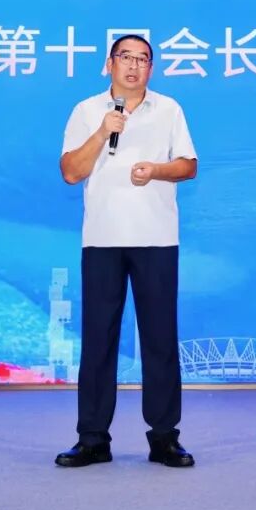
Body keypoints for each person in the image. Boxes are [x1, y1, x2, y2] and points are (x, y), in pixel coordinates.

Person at [54, 34, 198, 468]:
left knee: (159, 340)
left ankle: (164, 438)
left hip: (156, 238)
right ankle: (93, 438)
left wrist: (157, 170)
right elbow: (70, 172)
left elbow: (188, 165)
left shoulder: (168, 109)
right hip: (102, 239)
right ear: (109, 63)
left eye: (143, 59)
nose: (134, 66)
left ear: (151, 68)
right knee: (99, 340)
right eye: (125, 57)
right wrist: (103, 131)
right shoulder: (86, 111)